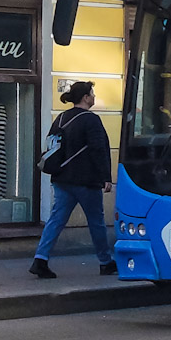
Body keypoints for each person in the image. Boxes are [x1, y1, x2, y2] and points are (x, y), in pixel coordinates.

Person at [31, 82, 114, 278]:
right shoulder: (91, 120)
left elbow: (51, 145)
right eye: (92, 94)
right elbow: (98, 149)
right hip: (86, 180)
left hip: (61, 179)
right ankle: (105, 262)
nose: (94, 97)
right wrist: (105, 177)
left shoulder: (60, 118)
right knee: (96, 222)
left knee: (56, 220)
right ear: (85, 97)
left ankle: (40, 259)